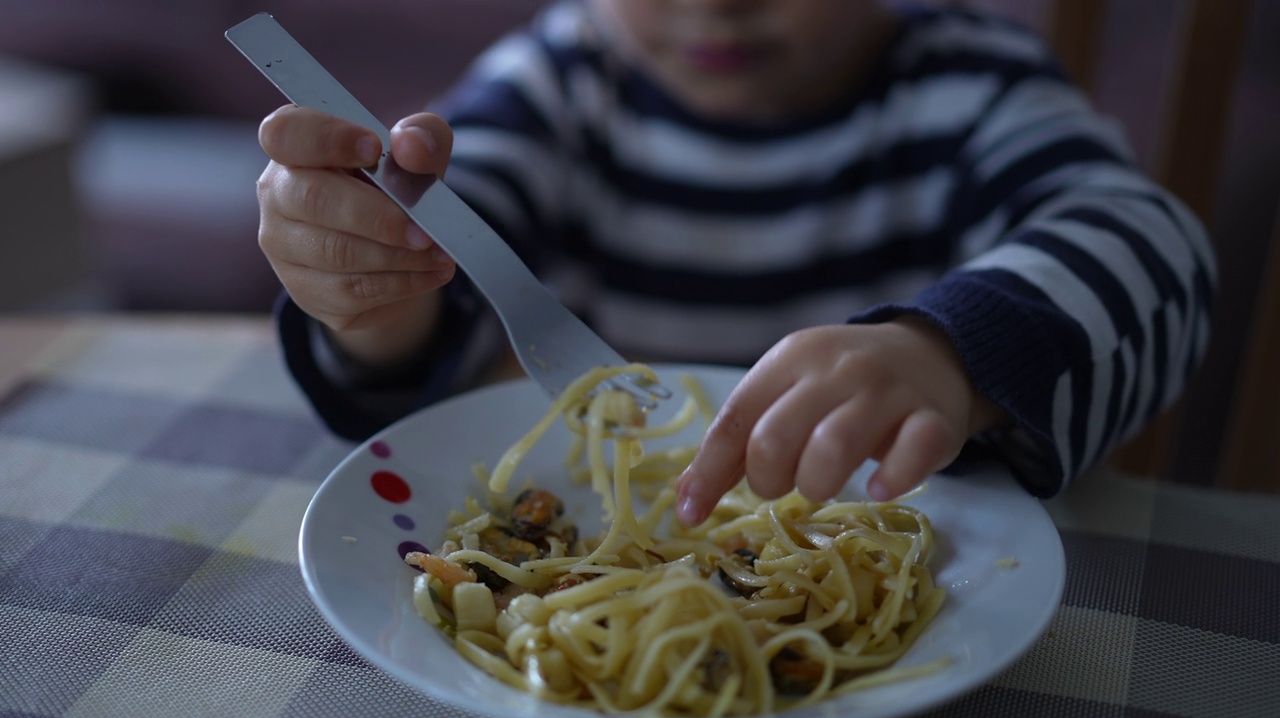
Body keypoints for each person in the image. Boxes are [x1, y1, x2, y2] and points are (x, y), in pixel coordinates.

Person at [255, 0, 1215, 527]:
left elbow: (1154, 247)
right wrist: (381, 300)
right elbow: (459, 246)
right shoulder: (559, 84)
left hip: (917, 552)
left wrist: (952, 355)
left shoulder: (973, 87)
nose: (716, 4)